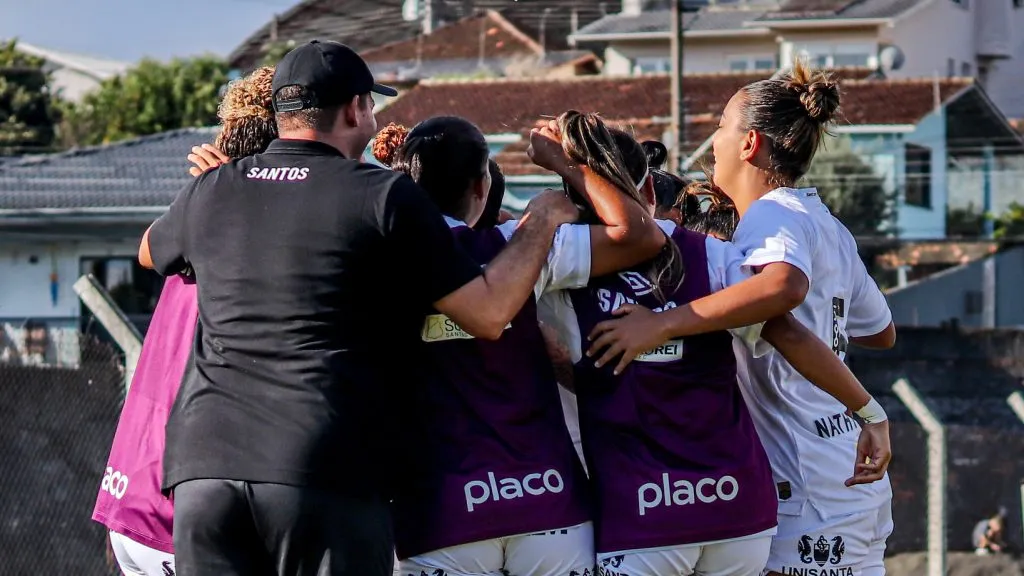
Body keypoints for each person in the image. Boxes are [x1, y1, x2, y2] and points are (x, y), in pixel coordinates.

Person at [137, 40, 581, 576]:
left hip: (205, 469)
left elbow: (149, 251)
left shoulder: (214, 189)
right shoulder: (383, 196)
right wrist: (541, 219)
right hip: (324, 464)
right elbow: (488, 313)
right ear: (355, 109)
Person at [531, 113, 889, 576]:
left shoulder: (557, 262)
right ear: (651, 190)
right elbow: (790, 333)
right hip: (736, 515)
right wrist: (869, 413)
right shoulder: (716, 257)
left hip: (643, 516)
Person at [369, 115, 665, 576]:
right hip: (547, 502)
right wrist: (565, 165)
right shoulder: (524, 242)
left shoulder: (376, 253)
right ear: (481, 186)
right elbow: (642, 235)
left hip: (439, 513)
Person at [92, 66, 277, 576]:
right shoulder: (258, 246)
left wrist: (217, 189)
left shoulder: (195, 224)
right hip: (184, 516)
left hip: (131, 497)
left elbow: (148, 249)